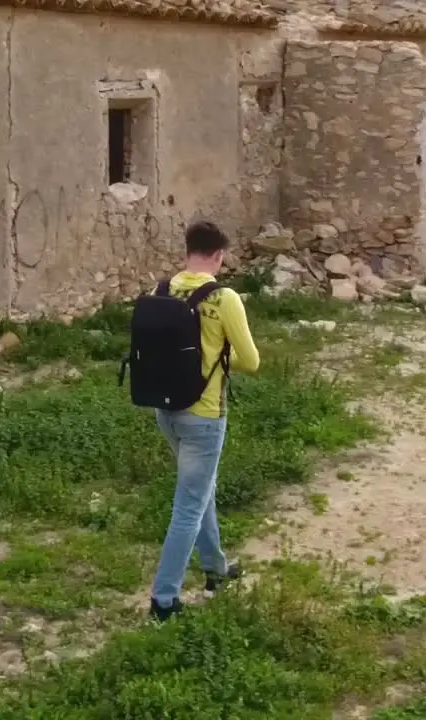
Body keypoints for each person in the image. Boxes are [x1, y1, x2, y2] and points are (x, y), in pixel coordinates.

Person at [148, 221, 260, 622]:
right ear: (219, 256)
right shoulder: (223, 297)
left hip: (165, 410)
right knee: (189, 506)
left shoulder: (161, 290)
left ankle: (216, 570)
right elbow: (251, 361)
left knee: (200, 490)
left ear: (188, 250)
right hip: (205, 415)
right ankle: (164, 600)